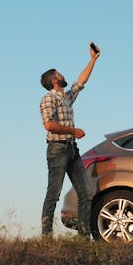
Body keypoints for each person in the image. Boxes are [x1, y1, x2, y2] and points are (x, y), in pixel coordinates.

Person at [39, 42, 100, 237]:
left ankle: (84, 237)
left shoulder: (65, 98)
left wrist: (93, 59)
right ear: (53, 80)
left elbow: (80, 82)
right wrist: (73, 130)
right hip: (57, 149)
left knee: (85, 194)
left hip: (72, 150)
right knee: (53, 194)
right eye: (59, 74)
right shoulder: (49, 98)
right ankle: (46, 236)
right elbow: (48, 125)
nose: (62, 75)